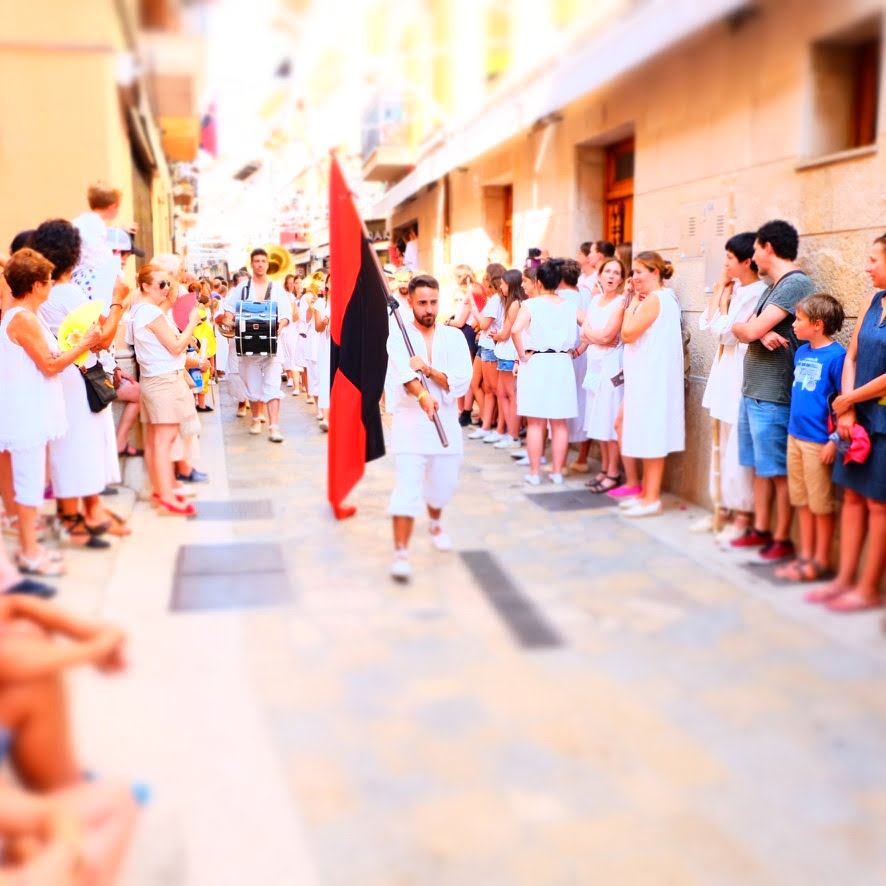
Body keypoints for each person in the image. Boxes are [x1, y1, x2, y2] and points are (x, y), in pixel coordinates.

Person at [0, 250, 100, 576]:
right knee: (29, 485)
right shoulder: (23, 318)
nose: (51, 286)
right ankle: (29, 552)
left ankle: (33, 548)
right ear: (35, 285)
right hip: (27, 414)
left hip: (31, 411)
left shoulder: (26, 314)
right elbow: (50, 365)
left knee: (33, 482)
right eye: (47, 281)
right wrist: (84, 344)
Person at [33, 220, 129, 546]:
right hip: (79, 375)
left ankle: (88, 511)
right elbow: (102, 337)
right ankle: (71, 518)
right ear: (72, 254)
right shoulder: (67, 292)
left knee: (72, 445)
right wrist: (118, 299)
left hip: (65, 375)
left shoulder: (43, 292)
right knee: (79, 447)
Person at [731, 220, 818, 559]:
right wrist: (753, 330)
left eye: (755, 248)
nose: (752, 256)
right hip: (753, 389)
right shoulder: (772, 286)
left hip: (774, 394)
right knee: (758, 467)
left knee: (778, 471)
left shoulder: (795, 284)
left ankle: (782, 538)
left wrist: (752, 330)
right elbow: (743, 328)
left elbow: (747, 331)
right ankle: (762, 528)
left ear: (767, 247)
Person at [386, 275, 472, 580]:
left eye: (433, 302)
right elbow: (403, 376)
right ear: (410, 302)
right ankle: (400, 552)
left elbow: (461, 381)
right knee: (406, 490)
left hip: (446, 423)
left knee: (442, 486)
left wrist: (429, 371)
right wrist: (422, 394)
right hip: (410, 424)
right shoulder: (398, 334)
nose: (429, 309)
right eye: (422, 303)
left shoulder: (455, 337)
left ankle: (435, 523)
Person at [822, 235, 886, 613]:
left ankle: (867, 589)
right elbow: (852, 356)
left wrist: (849, 399)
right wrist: (845, 409)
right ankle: (845, 579)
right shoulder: (871, 301)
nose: (867, 267)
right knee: (851, 499)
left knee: (878, 506)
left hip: (881, 420)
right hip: (856, 418)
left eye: (874, 259)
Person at [771, 294, 846, 584]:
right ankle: (805, 556)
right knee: (801, 500)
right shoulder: (801, 352)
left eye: (799, 320)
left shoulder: (837, 357)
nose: (794, 324)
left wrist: (835, 440)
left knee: (820, 504)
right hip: (795, 436)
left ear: (817, 324)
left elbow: (845, 403)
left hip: (818, 442)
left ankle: (821, 560)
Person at [698, 233, 768, 540]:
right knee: (721, 443)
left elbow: (727, 333)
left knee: (739, 448)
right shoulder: (734, 289)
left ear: (746, 261)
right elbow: (707, 323)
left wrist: (720, 304)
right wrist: (719, 293)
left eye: (729, 258)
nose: (724, 263)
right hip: (724, 372)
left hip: (742, 374)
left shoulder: (759, 294)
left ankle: (742, 516)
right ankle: (721, 509)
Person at [618, 251, 685, 516]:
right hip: (652, 375)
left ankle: (651, 497)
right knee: (649, 435)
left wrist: (632, 303)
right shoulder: (668, 299)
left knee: (652, 436)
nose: (633, 277)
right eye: (633, 272)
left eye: (638, 272)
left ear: (655, 272)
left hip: (650, 378)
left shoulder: (654, 300)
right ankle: (646, 493)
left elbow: (627, 333)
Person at [130, 264, 200, 516]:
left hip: (154, 380)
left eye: (168, 283)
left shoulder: (138, 310)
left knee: (154, 439)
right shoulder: (150, 312)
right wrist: (192, 322)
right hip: (164, 382)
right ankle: (167, 497)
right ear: (145, 286)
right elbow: (176, 347)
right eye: (161, 284)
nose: (166, 288)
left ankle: (162, 490)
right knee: (164, 440)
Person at [511, 260, 583, 485]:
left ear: (538, 282)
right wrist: (578, 351)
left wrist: (522, 355)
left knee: (536, 423)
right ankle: (557, 472)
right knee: (559, 423)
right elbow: (590, 328)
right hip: (562, 362)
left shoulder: (531, 305)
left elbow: (515, 330)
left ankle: (534, 473)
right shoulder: (569, 305)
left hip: (537, 362)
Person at [221, 249, 290, 442]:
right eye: (256, 261)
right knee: (252, 385)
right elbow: (228, 312)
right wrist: (229, 323)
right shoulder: (241, 289)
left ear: (267, 264)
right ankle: (256, 419)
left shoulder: (277, 289)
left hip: (272, 346)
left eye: (263, 261)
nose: (260, 264)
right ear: (252, 264)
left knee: (273, 385)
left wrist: (280, 325)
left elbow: (286, 315)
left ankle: (274, 427)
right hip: (248, 347)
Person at [572, 257, 628, 492]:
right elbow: (586, 333)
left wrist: (594, 336)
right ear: (600, 275)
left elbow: (607, 336)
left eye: (617, 273)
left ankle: (613, 473)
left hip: (611, 366)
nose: (612, 276)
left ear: (622, 279)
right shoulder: (595, 300)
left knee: (609, 419)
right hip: (594, 364)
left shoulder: (622, 302)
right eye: (608, 271)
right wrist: (595, 337)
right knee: (597, 418)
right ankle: (604, 469)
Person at [468, 263, 506, 442]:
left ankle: (496, 426)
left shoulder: (497, 299)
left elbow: (483, 324)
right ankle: (487, 423)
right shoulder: (498, 298)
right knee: (484, 386)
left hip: (490, 346)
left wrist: (474, 309)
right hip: (485, 345)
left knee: (493, 389)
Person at [490, 269, 526, 450]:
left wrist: (494, 335)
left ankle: (512, 435)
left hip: (510, 353)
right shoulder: (518, 303)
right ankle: (511, 433)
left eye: (503, 284)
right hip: (510, 353)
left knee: (509, 395)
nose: (501, 287)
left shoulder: (514, 304)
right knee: (505, 394)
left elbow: (505, 334)